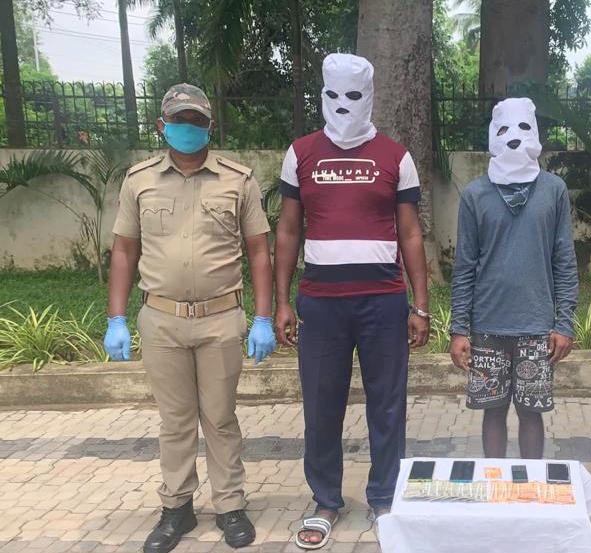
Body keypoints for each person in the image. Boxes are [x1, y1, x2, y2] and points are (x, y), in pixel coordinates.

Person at [104, 83, 275, 553]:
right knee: (175, 420)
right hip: (161, 319)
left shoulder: (237, 180)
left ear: (210, 126)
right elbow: (124, 250)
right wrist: (116, 317)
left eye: (197, 120)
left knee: (220, 418)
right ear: (162, 125)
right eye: (179, 120)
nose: (188, 127)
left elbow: (260, 252)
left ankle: (230, 505)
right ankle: (177, 507)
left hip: (220, 317)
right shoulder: (139, 181)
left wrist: (263, 317)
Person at [273, 53, 430, 549]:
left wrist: (420, 305)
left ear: (370, 96)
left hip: (383, 302)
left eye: (354, 95)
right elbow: (288, 230)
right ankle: (325, 501)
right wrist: (282, 301)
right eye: (334, 95)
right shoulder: (300, 153)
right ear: (322, 95)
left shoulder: (396, 157)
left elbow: (410, 233)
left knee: (387, 406)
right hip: (321, 304)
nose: (343, 105)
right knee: (322, 405)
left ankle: (384, 498)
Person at [449, 97, 579, 459]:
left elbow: (564, 260)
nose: (514, 137)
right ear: (493, 134)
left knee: (531, 411)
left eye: (523, 127)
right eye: (505, 129)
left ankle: (530, 484)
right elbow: (464, 266)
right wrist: (459, 329)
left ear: (534, 132)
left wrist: (564, 323)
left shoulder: (553, 190)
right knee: (492, 411)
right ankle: (495, 482)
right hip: (487, 324)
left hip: (537, 325)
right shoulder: (475, 195)